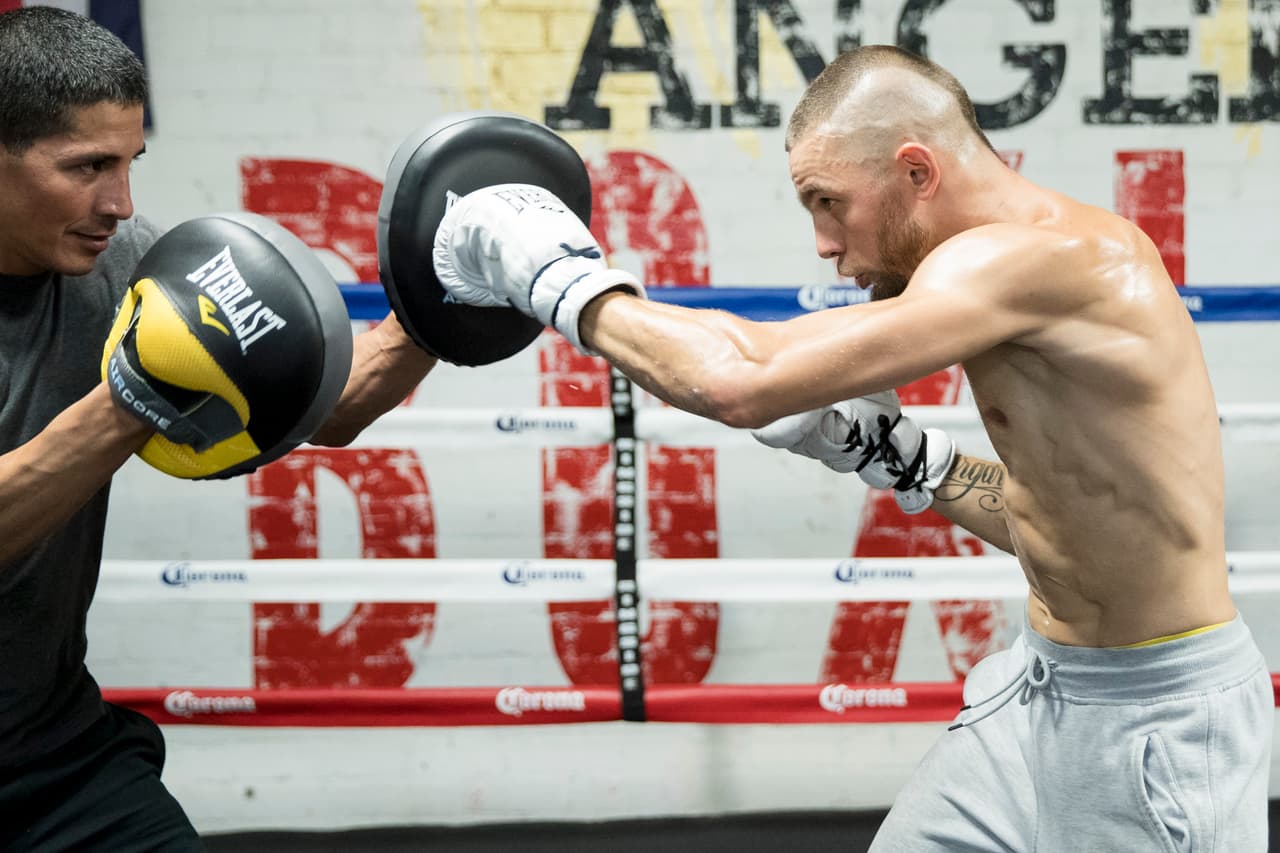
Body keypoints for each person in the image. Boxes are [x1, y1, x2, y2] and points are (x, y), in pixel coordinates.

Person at [432, 45, 1273, 852]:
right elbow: (1066, 519)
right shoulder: (995, 277)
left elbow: (740, 379)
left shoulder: (1044, 259)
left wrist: (557, 279)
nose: (824, 243)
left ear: (916, 172)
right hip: (1039, 688)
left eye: (827, 201)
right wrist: (906, 457)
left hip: (1153, 726)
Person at [0, 7, 434, 850]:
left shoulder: (118, 260)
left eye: (129, 163)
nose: (119, 204)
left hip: (53, 758)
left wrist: (434, 306)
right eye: (87, 167)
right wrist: (134, 393)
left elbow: (323, 403)